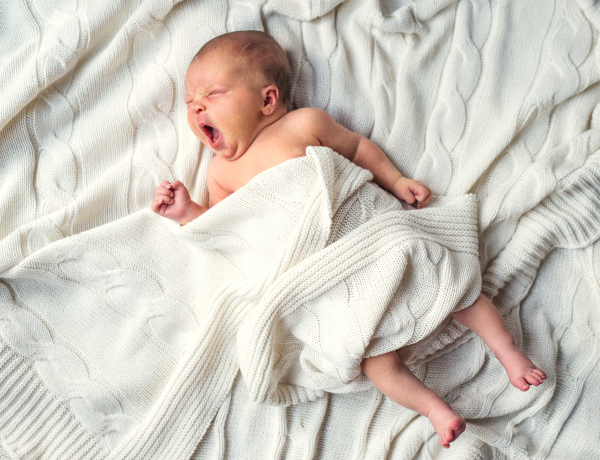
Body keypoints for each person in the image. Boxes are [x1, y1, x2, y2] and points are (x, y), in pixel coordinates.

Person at [151, 30, 546, 449]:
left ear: (267, 100)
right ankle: (433, 408)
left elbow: (357, 149)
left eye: (211, 95)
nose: (197, 109)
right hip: (325, 281)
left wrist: (395, 180)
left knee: (455, 284)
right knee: (373, 360)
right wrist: (188, 213)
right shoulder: (220, 173)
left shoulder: (303, 124)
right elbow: (228, 228)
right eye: (191, 104)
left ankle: (508, 352)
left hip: (370, 239)